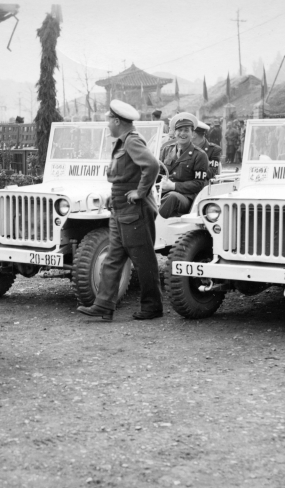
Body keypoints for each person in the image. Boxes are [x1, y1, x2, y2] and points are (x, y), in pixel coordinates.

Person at [77, 100, 163, 322]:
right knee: (113, 258)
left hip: (135, 210)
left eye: (108, 119)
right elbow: (124, 176)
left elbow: (152, 166)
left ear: (117, 121)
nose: (107, 123)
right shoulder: (122, 142)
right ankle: (104, 305)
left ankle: (152, 306)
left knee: (143, 260)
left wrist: (140, 192)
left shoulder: (132, 141)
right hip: (120, 207)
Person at [158, 113, 209, 218]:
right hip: (163, 193)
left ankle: (155, 222)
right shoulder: (166, 149)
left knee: (171, 197)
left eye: (186, 130)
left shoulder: (200, 155)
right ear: (174, 132)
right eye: (179, 130)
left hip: (186, 197)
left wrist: (173, 186)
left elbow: (199, 184)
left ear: (192, 134)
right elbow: (159, 173)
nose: (182, 133)